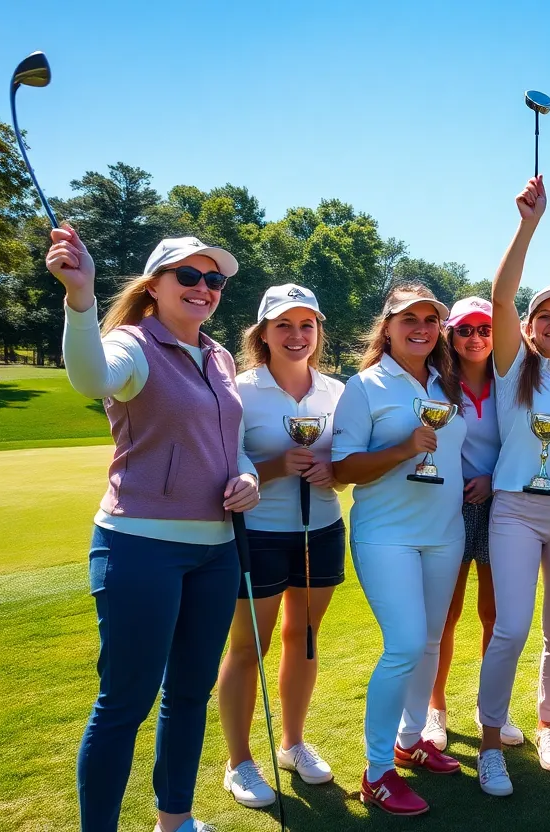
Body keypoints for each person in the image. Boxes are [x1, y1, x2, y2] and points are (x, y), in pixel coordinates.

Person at [46, 226, 260, 832]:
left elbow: (230, 444)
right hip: (139, 547)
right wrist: (80, 298)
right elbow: (91, 378)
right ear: (156, 285)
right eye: (187, 277)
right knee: (125, 704)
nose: (203, 288)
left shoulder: (218, 355)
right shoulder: (132, 345)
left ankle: (176, 821)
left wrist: (247, 477)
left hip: (215, 551)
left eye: (212, 279)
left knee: (190, 694)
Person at [475, 177, 550, 797]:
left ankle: (549, 725)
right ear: (527, 327)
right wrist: (528, 225)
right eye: (542, 315)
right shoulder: (512, 367)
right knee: (510, 629)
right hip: (516, 509)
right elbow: (500, 296)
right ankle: (491, 740)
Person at [332, 284, 467, 817]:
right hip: (386, 534)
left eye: (430, 319)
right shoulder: (364, 386)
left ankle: (410, 740)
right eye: (407, 318)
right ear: (386, 327)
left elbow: (456, 452)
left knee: (430, 642)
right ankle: (376, 773)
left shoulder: (444, 382)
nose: (420, 327)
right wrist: (404, 448)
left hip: (444, 533)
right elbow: (343, 471)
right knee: (406, 644)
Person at [218, 284, 345, 807]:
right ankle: (239, 761)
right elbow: (225, 465)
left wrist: (331, 472)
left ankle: (292, 743)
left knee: (306, 635)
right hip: (260, 532)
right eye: (284, 326)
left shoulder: (336, 392)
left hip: (323, 528)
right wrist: (274, 469)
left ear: (318, 332)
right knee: (250, 645)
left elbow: (346, 462)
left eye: (306, 325)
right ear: (263, 334)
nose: (297, 336)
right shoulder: (237, 389)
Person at [422, 296, 525, 755]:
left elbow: (527, 442)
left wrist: (492, 477)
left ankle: (493, 711)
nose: (476, 338)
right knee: (445, 613)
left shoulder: (515, 383)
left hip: (501, 503)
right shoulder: (436, 384)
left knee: (495, 616)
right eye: (465, 330)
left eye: (485, 329)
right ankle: (435, 709)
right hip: (448, 504)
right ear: (451, 335)